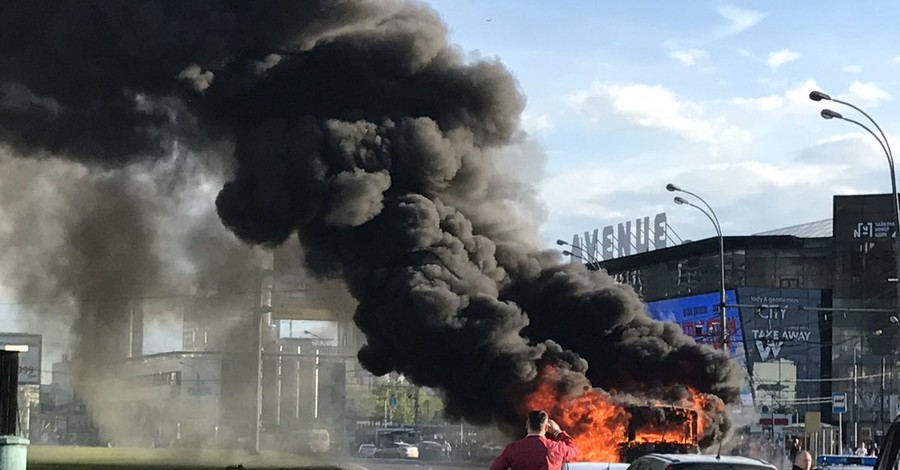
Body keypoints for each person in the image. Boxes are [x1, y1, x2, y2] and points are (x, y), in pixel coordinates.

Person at [490, 410, 578, 470]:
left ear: (527, 425)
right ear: (547, 427)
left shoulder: (513, 449)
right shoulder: (557, 448)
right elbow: (574, 451)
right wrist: (557, 432)